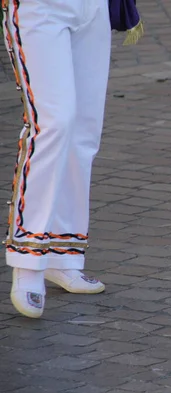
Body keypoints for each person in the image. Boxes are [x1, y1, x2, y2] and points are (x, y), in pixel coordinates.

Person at [1, 0, 142, 318]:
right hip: (39, 7)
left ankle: (63, 254)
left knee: (83, 133)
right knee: (53, 125)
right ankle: (29, 259)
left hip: (92, 7)